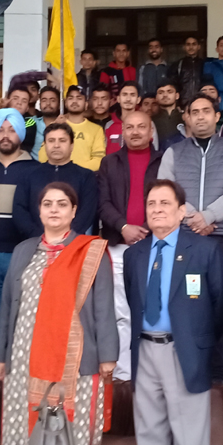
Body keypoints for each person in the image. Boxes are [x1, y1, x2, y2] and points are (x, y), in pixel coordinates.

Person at [0, 182, 117, 445]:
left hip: (75, 367)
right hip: (24, 362)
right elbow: (7, 307)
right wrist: (0, 355)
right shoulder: (23, 251)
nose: (54, 210)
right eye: (47, 203)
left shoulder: (91, 251)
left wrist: (108, 356)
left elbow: (104, 306)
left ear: (74, 211)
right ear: (39, 210)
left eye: (63, 204)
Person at [122, 180, 223, 445]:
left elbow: (220, 307)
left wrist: (199, 346)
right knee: (151, 443)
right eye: (151, 204)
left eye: (165, 203)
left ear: (182, 210)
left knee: (190, 444)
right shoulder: (134, 256)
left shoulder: (204, 250)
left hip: (184, 353)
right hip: (146, 353)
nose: (157, 210)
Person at [97, 109, 162, 378]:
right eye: (129, 127)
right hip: (118, 244)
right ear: (122, 132)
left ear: (151, 132)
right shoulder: (109, 163)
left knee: (153, 310)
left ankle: (151, 371)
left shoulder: (164, 161)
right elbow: (103, 204)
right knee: (121, 312)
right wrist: (123, 227)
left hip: (154, 244)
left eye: (141, 127)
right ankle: (124, 373)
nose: (135, 132)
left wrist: (147, 230)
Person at [159, 95, 223, 271]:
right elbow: (166, 190)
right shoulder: (173, 152)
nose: (200, 117)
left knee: (221, 293)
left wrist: (209, 215)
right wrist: (193, 218)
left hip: (222, 235)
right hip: (182, 233)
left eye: (206, 111)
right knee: (184, 292)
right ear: (187, 118)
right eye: (195, 112)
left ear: (216, 116)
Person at [0, 110, 39, 333]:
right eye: (1, 130)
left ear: (22, 134)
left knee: (20, 315)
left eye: (12, 130)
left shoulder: (35, 168)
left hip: (22, 253)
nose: (5, 135)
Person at [15, 123, 99, 239]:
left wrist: (66, 238)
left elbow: (87, 212)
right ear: (44, 145)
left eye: (62, 140)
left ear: (71, 145)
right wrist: (41, 238)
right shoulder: (28, 174)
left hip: (72, 244)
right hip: (35, 242)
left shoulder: (86, 176)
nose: (56, 145)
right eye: (51, 140)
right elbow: (20, 210)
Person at [41, 85, 105, 170]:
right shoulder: (55, 126)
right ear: (66, 103)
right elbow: (42, 157)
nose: (74, 101)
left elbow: (98, 161)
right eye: (71, 98)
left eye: (79, 98)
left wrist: (73, 170)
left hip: (84, 179)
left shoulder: (96, 129)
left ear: (86, 104)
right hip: (56, 176)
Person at [169, 36, 205, 105]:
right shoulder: (177, 65)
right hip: (183, 104)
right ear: (184, 47)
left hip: (201, 102)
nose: (191, 47)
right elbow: (173, 86)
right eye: (188, 44)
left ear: (199, 47)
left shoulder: (204, 64)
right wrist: (177, 104)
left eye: (194, 44)